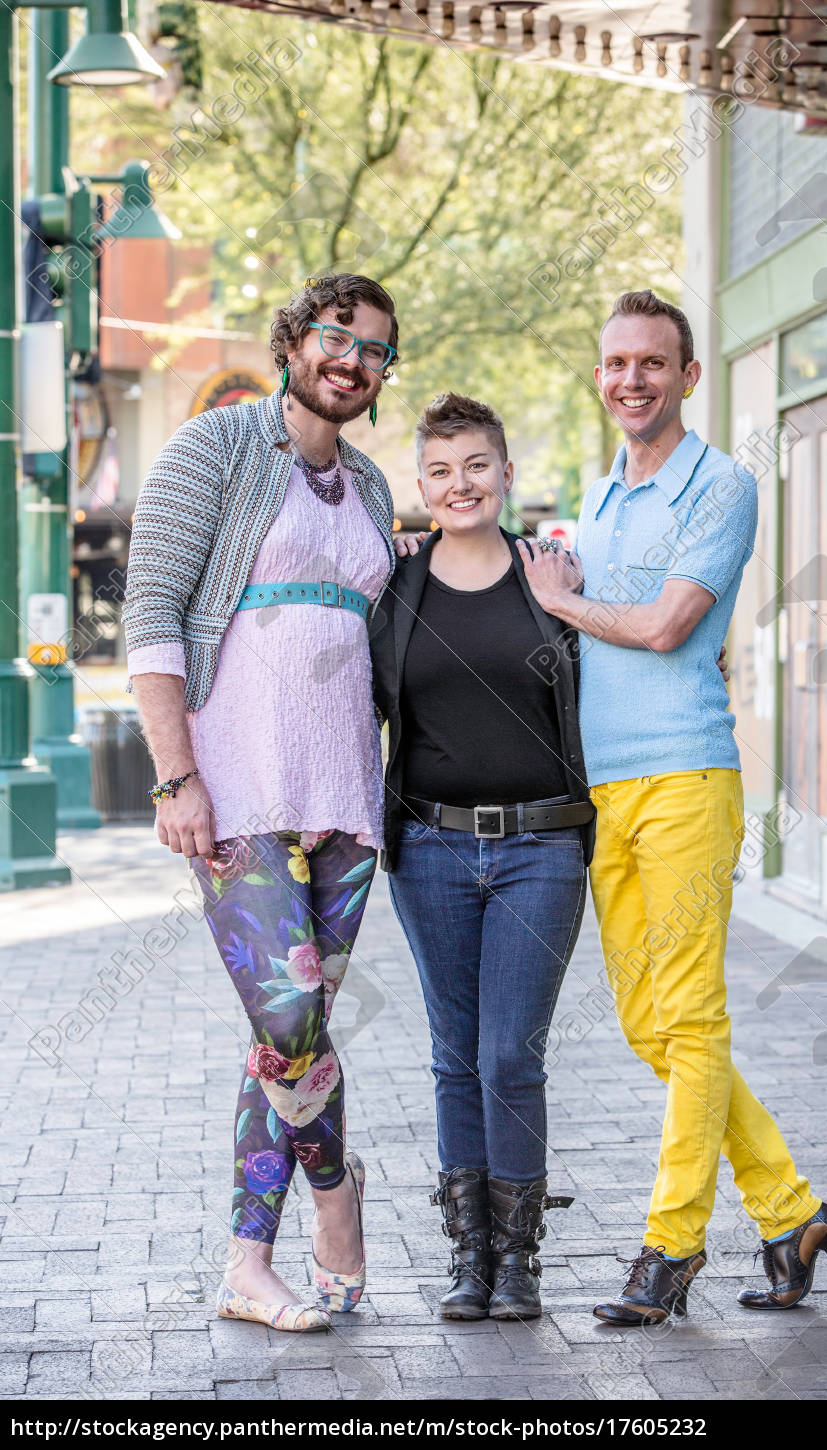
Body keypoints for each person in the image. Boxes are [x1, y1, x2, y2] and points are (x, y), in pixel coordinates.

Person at [516, 289, 827, 1325]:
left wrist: (560, 600)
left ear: (688, 377)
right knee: (652, 1027)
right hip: (603, 787)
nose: (630, 379)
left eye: (652, 363)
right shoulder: (603, 493)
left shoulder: (724, 485)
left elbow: (664, 627)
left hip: (688, 780)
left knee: (693, 1017)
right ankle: (792, 1212)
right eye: (616, 362)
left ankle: (668, 1247)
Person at [123, 273, 399, 1332]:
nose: (351, 358)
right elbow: (150, 613)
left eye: (374, 348)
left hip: (346, 798)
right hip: (236, 793)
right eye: (336, 336)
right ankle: (337, 1202)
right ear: (294, 341)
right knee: (289, 1022)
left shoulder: (372, 488)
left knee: (286, 1038)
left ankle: (249, 1263)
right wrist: (175, 775)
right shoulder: (215, 450)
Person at [370, 393, 596, 1321]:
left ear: (505, 472)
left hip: (540, 848)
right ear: (421, 486)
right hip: (428, 846)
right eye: (439, 470)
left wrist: (574, 600)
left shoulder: (551, 580)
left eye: (476, 466)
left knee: (511, 1053)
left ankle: (522, 1261)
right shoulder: (396, 587)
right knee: (453, 1055)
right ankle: (471, 1259)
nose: (459, 484)